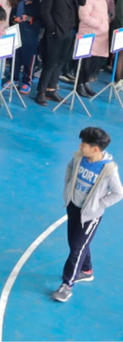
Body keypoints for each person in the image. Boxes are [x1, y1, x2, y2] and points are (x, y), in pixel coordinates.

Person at [53, 126, 122, 302]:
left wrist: (98, 205)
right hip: (73, 207)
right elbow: (69, 169)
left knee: (77, 248)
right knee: (76, 243)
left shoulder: (108, 169)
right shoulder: (79, 157)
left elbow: (118, 193)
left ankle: (67, 285)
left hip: (90, 215)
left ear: (95, 149)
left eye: (83, 144)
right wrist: (68, 187)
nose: (80, 146)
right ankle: (86, 270)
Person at [36, 0, 86, 106]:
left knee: (60, 62)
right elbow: (45, 11)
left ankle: (51, 89)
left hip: (69, 30)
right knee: (50, 63)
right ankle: (41, 92)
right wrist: (53, 29)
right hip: (56, 32)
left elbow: (82, 2)